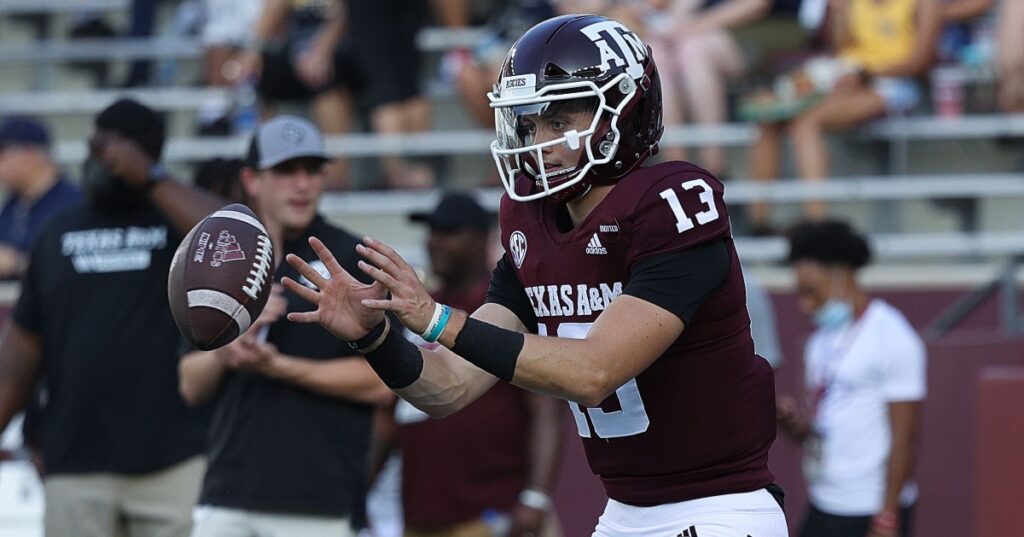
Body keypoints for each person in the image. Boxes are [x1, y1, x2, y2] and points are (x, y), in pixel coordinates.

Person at [284, 14, 787, 536]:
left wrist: (434, 317)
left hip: (718, 507)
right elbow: (449, 388)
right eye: (529, 122)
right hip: (624, 511)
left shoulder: (673, 204)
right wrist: (376, 337)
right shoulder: (534, 227)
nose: (538, 140)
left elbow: (593, 373)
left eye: (560, 121)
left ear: (623, 113)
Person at [0, 98, 225, 537]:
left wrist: (152, 179)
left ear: (148, 158)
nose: (104, 162)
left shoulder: (179, 229)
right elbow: (21, 351)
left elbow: (234, 236)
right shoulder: (58, 230)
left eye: (119, 154)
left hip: (172, 461)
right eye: (98, 149)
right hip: (75, 462)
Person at [178, 115, 392, 537]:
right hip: (227, 494)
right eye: (285, 170)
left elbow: (386, 383)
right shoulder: (220, 258)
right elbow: (190, 384)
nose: (302, 184)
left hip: (319, 502)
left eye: (312, 170)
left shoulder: (351, 257)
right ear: (251, 179)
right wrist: (228, 347)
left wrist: (279, 367)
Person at [372, 192, 565, 537]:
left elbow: (545, 408)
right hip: (420, 513)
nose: (435, 242)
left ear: (481, 239)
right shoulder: (419, 311)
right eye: (431, 232)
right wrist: (361, 487)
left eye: (448, 232)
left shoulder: (506, 307)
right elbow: (390, 411)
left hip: (492, 511)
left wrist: (535, 498)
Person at [777, 220, 926, 537]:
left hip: (870, 506)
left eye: (811, 292)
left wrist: (887, 516)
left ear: (841, 275)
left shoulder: (892, 335)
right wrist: (796, 426)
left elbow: (906, 437)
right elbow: (826, 427)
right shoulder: (821, 342)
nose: (804, 305)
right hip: (826, 500)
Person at [747, 0, 942, 229]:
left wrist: (867, 74)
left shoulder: (925, 4)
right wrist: (839, 16)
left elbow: (921, 61)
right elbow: (841, 48)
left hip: (895, 84)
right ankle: (759, 220)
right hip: (847, 78)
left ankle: (814, 223)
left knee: (807, 123)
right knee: (769, 118)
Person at [0, 117, 82, 280]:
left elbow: (80, 261)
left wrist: (17, 263)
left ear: (29, 153)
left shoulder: (75, 204)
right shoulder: (13, 204)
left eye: (1, 153)